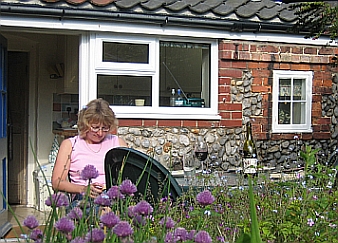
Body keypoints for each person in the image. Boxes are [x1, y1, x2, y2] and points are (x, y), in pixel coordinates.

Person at [51, 98, 128, 201]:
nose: (100, 133)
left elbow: (129, 175)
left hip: (113, 196)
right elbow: (57, 182)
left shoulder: (118, 143)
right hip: (83, 198)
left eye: (105, 128)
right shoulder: (70, 145)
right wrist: (83, 189)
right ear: (85, 125)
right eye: (95, 127)